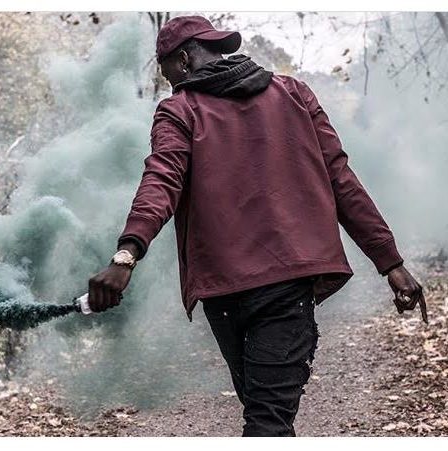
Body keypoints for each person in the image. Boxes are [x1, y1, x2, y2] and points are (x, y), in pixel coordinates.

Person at [87, 15, 427, 436]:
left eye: (166, 68)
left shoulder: (180, 109)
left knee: (266, 420)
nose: (167, 80)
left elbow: (161, 180)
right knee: (267, 416)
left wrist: (126, 254)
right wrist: (390, 262)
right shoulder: (293, 94)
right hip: (281, 282)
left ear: (185, 59)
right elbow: (341, 179)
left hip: (228, 291)